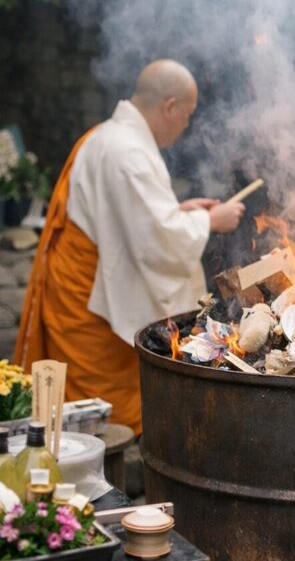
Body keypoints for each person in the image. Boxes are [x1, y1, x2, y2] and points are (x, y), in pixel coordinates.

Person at [15, 59, 244, 434]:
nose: (186, 125)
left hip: (89, 286)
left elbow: (131, 218)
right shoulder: (127, 152)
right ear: (169, 106)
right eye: (187, 115)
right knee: (96, 419)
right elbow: (155, 241)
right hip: (90, 306)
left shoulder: (110, 136)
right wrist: (209, 221)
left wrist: (178, 211)